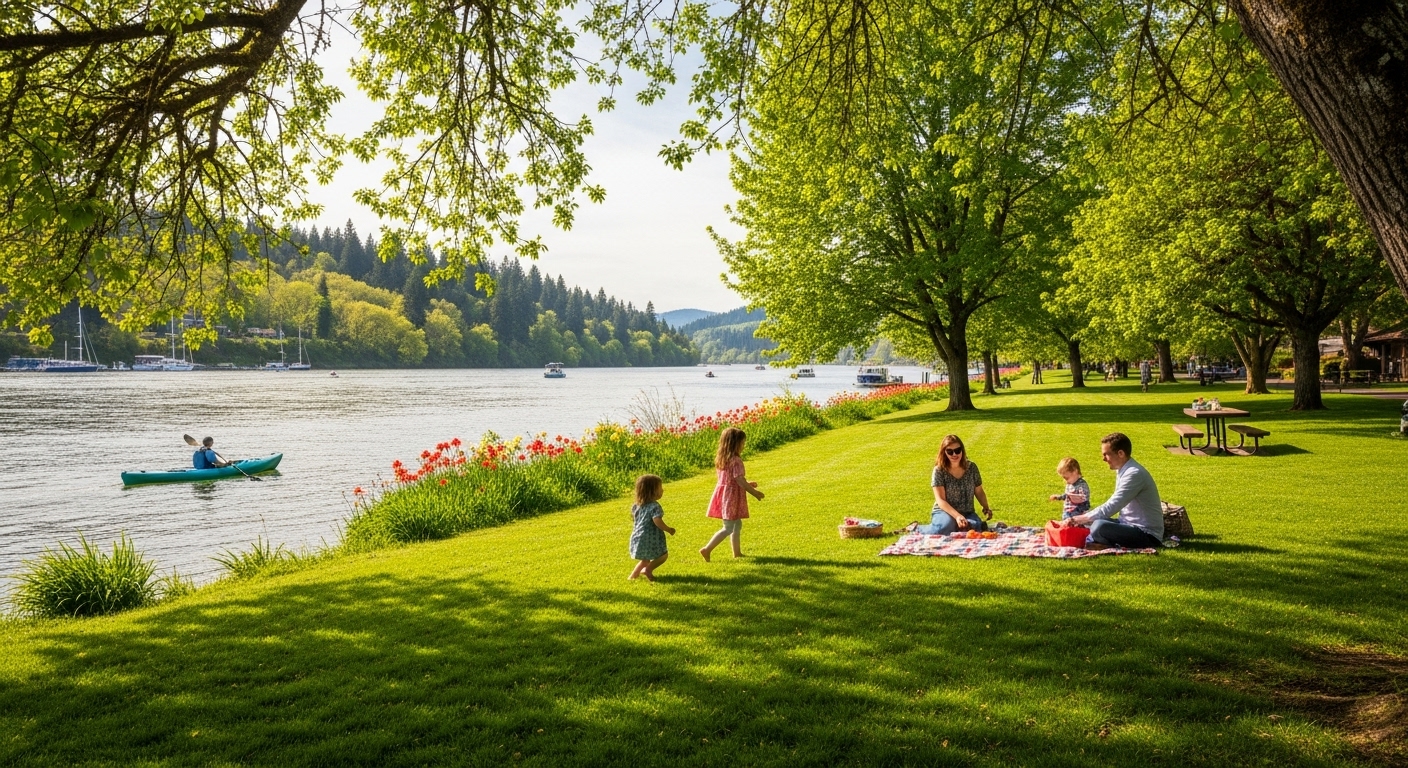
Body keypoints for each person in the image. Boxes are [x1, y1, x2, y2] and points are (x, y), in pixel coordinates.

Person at [1066, 432, 1163, 549]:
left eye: (1106, 455)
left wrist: (1080, 519)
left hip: (1146, 534)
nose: (1103, 459)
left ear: (1120, 453)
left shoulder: (1134, 473)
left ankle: (1101, 543)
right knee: (1093, 520)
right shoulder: (1123, 469)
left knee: (1098, 526)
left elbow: (1113, 505)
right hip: (1126, 524)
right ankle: (1098, 541)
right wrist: (1084, 517)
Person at [907, 434, 993, 534]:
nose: (954, 454)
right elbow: (940, 500)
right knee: (944, 528)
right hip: (944, 511)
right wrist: (957, 516)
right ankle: (916, 528)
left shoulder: (972, 467)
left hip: (967, 512)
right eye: (950, 451)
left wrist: (986, 507)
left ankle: (965, 525)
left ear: (962, 450)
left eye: (957, 450)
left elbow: (979, 491)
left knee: (972, 528)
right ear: (944, 453)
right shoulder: (939, 470)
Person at [700, 427, 763, 561]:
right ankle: (707, 549)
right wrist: (754, 492)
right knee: (728, 527)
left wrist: (748, 483)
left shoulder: (722, 459)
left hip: (725, 495)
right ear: (735, 443)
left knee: (736, 524)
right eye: (742, 443)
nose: (743, 446)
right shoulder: (736, 460)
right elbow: (739, 480)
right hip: (731, 497)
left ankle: (737, 553)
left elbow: (732, 479)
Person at [628, 474, 674, 581]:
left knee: (645, 559)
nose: (662, 491)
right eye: (660, 488)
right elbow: (657, 521)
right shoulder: (655, 506)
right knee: (663, 555)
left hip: (637, 537)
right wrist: (668, 529)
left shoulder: (636, 506)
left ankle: (633, 576)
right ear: (651, 491)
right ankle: (648, 569)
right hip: (650, 537)